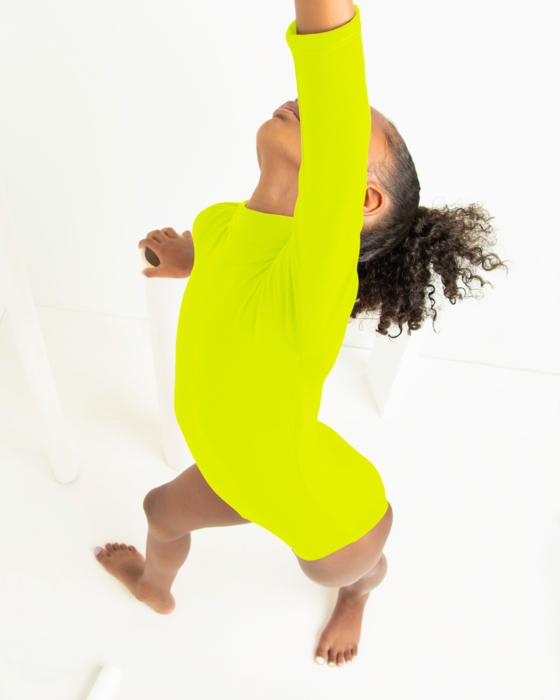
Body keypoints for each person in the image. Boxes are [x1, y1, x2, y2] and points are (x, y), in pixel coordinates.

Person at [94, 1, 509, 668]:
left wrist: (327, 52)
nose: (303, 100)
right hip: (233, 469)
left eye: (336, 119)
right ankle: (154, 590)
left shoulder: (316, 276)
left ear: (357, 199)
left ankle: (360, 596)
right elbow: (227, 256)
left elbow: (331, 76)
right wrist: (186, 257)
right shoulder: (222, 221)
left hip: (326, 509)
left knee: (347, 569)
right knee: (161, 512)